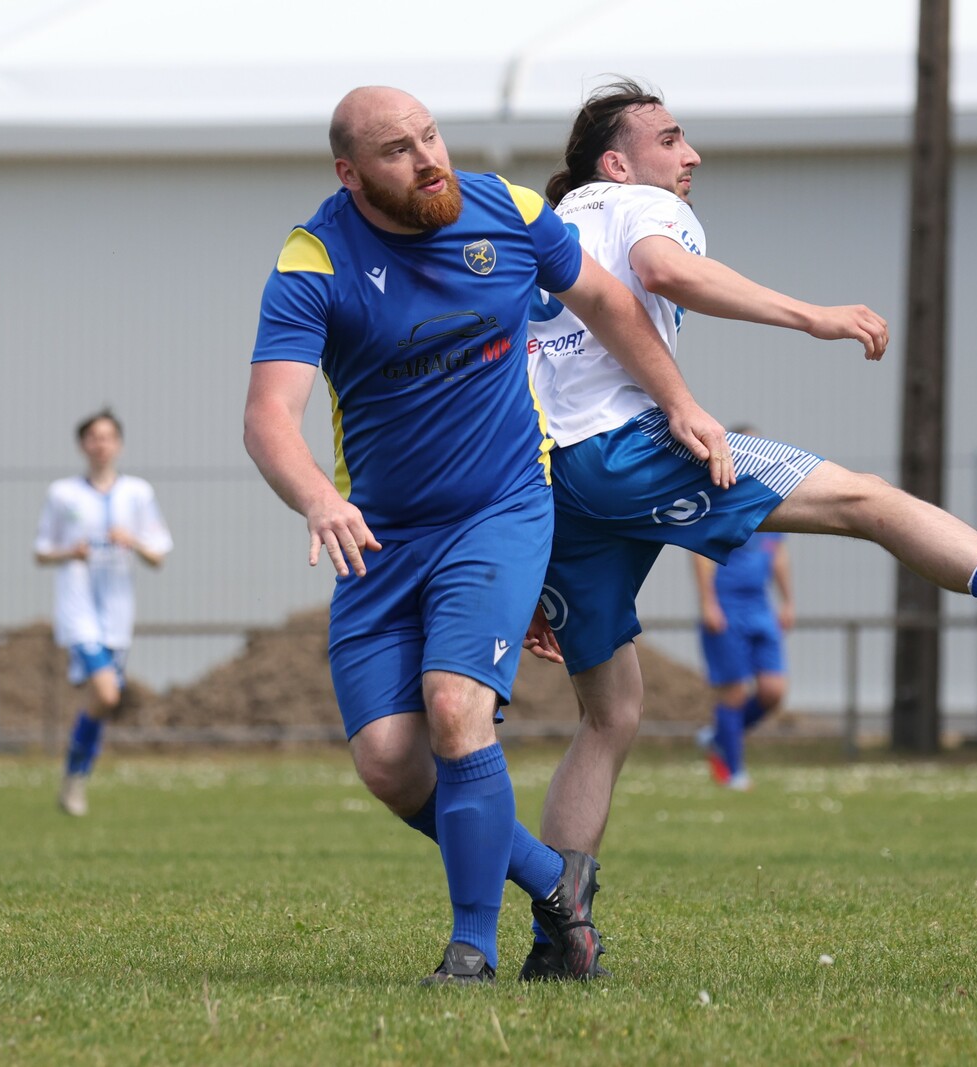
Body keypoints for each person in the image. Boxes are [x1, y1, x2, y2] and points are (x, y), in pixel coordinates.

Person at [523, 80, 977, 960]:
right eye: (671, 138)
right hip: (627, 447)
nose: (691, 155)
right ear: (616, 162)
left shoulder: (544, 228)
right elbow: (664, 272)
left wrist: (530, 558)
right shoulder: (642, 205)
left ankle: (560, 935)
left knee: (610, 714)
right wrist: (815, 316)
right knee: (868, 499)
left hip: (550, 480)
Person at [242, 86, 733, 984]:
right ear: (350, 173)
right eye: (397, 151)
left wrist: (679, 401)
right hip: (380, 538)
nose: (428, 158)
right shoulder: (316, 256)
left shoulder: (507, 208)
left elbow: (608, 302)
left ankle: (472, 949)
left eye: (430, 136)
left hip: (499, 510)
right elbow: (270, 414)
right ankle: (555, 885)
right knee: (390, 764)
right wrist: (317, 498)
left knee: (454, 706)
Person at [35, 409, 173, 817]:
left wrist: (134, 542)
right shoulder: (63, 494)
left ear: (119, 444)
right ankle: (74, 778)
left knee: (102, 702)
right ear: (83, 445)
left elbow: (158, 555)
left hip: (118, 615)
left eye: (108, 436)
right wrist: (70, 552)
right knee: (108, 693)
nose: (101, 444)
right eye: (94, 437)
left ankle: (74, 778)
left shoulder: (138, 493)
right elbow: (41, 552)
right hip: (78, 611)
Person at [691, 427, 793, 790]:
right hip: (728, 606)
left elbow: (777, 555)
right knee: (733, 692)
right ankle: (733, 772)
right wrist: (709, 603)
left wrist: (788, 601)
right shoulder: (721, 500)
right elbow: (701, 554)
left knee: (773, 690)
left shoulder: (770, 500)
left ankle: (719, 736)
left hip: (760, 605)